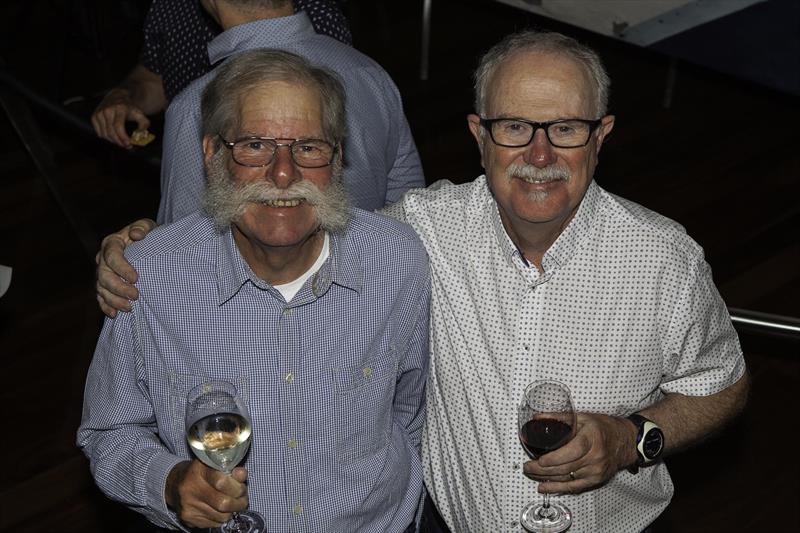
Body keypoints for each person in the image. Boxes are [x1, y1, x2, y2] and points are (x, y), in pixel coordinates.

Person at [94, 30, 749, 533]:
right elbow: (288, 221)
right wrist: (136, 251)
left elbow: (722, 383)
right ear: (479, 135)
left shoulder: (664, 258)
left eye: (567, 129)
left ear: (601, 136)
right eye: (515, 127)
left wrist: (634, 438)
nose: (540, 156)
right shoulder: (421, 234)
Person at [78, 49, 430, 533]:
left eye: (308, 147)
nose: (283, 174)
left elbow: (415, 411)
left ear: (339, 155)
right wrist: (168, 482)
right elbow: (109, 431)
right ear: (212, 155)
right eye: (255, 146)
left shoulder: (398, 259)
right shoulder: (147, 277)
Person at [156, 0, 423, 223]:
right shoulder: (370, 74)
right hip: (374, 274)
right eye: (256, 145)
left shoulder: (194, 105)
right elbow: (411, 210)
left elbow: (181, 245)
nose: (284, 173)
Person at [91, 0, 352, 148]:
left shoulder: (307, 11)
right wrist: (124, 96)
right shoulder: (168, 7)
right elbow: (152, 79)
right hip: (192, 161)